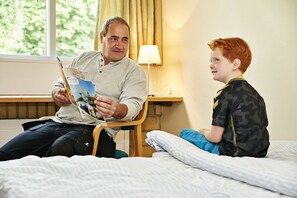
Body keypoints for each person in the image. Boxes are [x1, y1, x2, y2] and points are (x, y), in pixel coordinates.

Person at [0, 16, 148, 161]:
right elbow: (58, 86)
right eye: (114, 38)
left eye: (125, 40)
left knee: (58, 153)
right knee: (4, 154)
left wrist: (116, 109)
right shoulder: (84, 58)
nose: (120, 45)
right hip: (58, 123)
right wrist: (57, 94)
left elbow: (132, 107)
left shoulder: (135, 71)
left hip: (92, 130)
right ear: (102, 38)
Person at [180, 37, 270, 157]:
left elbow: (215, 137)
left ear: (235, 64)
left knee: (185, 133)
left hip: (233, 152)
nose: (211, 65)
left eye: (216, 60)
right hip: (260, 152)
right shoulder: (256, 95)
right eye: (211, 61)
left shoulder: (224, 94)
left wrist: (205, 132)